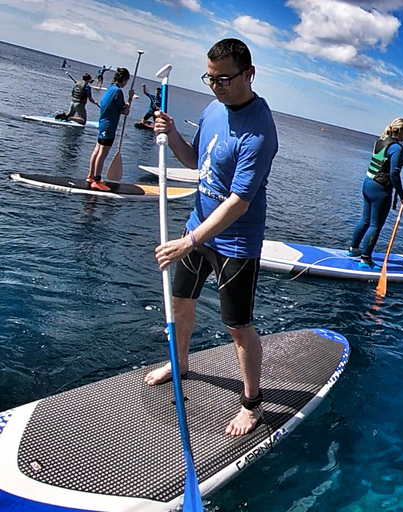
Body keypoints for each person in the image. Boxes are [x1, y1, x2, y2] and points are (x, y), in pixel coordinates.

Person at [145, 38, 278, 437]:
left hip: (235, 242)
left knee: (238, 327)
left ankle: (252, 404)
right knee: (180, 301)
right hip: (197, 227)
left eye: (224, 79)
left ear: (248, 74)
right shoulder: (212, 109)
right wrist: (171, 135)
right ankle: (181, 362)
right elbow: (195, 162)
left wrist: (189, 241)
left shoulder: (259, 132)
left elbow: (239, 202)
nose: (216, 86)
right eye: (210, 78)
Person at [347, 117, 403, 269]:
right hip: (380, 190)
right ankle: (365, 259)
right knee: (376, 225)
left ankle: (353, 249)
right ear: (400, 130)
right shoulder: (398, 148)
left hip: (368, 184)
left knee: (365, 220)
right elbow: (394, 174)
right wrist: (402, 197)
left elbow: (387, 163)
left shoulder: (380, 141)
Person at [86, 67, 131, 191]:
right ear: (124, 80)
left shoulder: (110, 88)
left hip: (103, 124)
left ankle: (91, 176)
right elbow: (125, 111)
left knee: (97, 150)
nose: (126, 84)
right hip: (109, 126)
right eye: (127, 81)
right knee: (102, 153)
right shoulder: (118, 92)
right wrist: (130, 99)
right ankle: (97, 180)